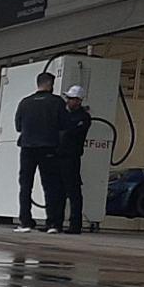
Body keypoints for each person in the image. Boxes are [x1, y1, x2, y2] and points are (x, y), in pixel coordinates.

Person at [13, 71, 68, 232]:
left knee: (25, 185)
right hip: (48, 148)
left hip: (27, 148)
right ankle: (53, 223)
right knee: (51, 186)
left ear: (38, 84)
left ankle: (25, 221)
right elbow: (64, 125)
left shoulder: (25, 102)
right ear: (50, 85)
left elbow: (18, 126)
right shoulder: (57, 102)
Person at [56, 85, 95, 234]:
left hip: (71, 157)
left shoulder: (83, 117)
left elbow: (69, 132)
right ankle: (55, 222)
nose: (68, 101)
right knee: (58, 190)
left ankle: (75, 224)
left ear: (78, 101)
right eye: (68, 98)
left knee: (73, 191)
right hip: (59, 155)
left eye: (71, 99)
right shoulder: (65, 115)